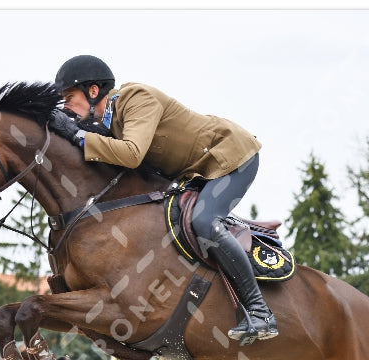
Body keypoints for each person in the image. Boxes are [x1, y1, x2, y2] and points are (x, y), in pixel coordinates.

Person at [50, 55, 278, 345]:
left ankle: (260, 312)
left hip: (231, 157)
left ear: (93, 91)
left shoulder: (135, 98)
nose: (67, 107)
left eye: (69, 98)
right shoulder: (108, 123)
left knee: (203, 222)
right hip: (197, 172)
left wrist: (78, 135)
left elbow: (132, 153)